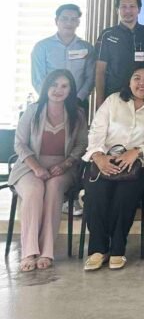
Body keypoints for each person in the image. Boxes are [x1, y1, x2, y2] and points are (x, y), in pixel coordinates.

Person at [82, 64, 144, 271]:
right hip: (105, 160)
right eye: (136, 77)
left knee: (124, 197)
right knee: (96, 194)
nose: (142, 83)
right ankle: (98, 249)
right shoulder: (113, 100)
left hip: (139, 166)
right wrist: (98, 156)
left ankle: (117, 249)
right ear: (128, 81)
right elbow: (96, 130)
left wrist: (136, 152)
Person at [10, 70, 87, 272]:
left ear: (71, 90)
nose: (58, 90)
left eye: (64, 86)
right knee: (35, 191)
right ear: (46, 87)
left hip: (63, 168)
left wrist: (65, 164)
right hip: (29, 166)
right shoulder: (33, 111)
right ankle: (29, 251)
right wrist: (36, 167)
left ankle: (46, 251)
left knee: (53, 188)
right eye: (54, 85)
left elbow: (81, 146)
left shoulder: (77, 114)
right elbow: (19, 144)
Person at [95, 0, 144, 99]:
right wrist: (100, 103)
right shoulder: (107, 35)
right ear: (117, 10)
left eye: (132, 6)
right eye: (123, 7)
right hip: (115, 96)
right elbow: (100, 71)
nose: (128, 10)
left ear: (139, 9)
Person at [31, 3, 95, 106]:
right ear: (56, 21)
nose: (69, 23)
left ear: (78, 23)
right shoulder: (42, 47)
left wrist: (79, 98)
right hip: (49, 102)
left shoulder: (87, 48)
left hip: (78, 103)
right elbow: (37, 78)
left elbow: (90, 78)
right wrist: (51, 98)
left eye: (73, 19)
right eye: (64, 18)